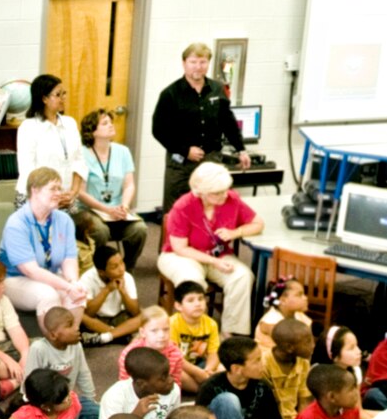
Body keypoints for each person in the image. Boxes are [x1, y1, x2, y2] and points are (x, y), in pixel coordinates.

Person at [157, 161, 261, 335]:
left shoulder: (231, 199)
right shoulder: (183, 206)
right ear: (201, 192)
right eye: (217, 193)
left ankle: (231, 334)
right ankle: (193, 333)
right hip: (181, 256)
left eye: (225, 190)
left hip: (217, 254)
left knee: (242, 276)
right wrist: (214, 261)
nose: (224, 195)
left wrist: (236, 232)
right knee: (192, 280)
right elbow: (180, 248)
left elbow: (258, 223)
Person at [152, 43, 250, 207]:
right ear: (184, 63)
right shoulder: (170, 94)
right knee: (176, 210)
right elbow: (159, 130)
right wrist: (185, 149)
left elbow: (228, 121)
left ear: (208, 64)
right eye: (193, 62)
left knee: (215, 206)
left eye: (202, 62)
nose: (198, 67)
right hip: (181, 163)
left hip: (211, 159)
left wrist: (241, 149)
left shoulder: (218, 89)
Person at [2, 166, 91, 320]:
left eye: (60, 188)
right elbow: (31, 271)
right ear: (35, 190)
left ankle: (70, 341)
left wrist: (73, 282)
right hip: (13, 279)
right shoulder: (16, 223)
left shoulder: (64, 220)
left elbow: (69, 259)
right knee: (48, 295)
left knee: (79, 291)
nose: (58, 193)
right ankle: (53, 343)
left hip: (48, 275)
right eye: (53, 189)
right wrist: (67, 287)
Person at [78, 109, 150, 268]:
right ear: (92, 131)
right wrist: (106, 209)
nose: (111, 125)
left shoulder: (122, 151)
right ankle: (98, 269)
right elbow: (80, 192)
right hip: (90, 210)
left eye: (111, 122)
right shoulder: (81, 154)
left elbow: (129, 184)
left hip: (117, 210)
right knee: (100, 231)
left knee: (140, 229)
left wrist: (124, 206)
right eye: (105, 123)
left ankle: (126, 269)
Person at [17, 74, 86, 203]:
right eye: (58, 95)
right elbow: (28, 170)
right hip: (35, 199)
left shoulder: (70, 123)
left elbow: (79, 160)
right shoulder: (29, 127)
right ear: (44, 99)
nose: (63, 99)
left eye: (64, 94)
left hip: (66, 197)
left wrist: (73, 192)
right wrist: (51, 197)